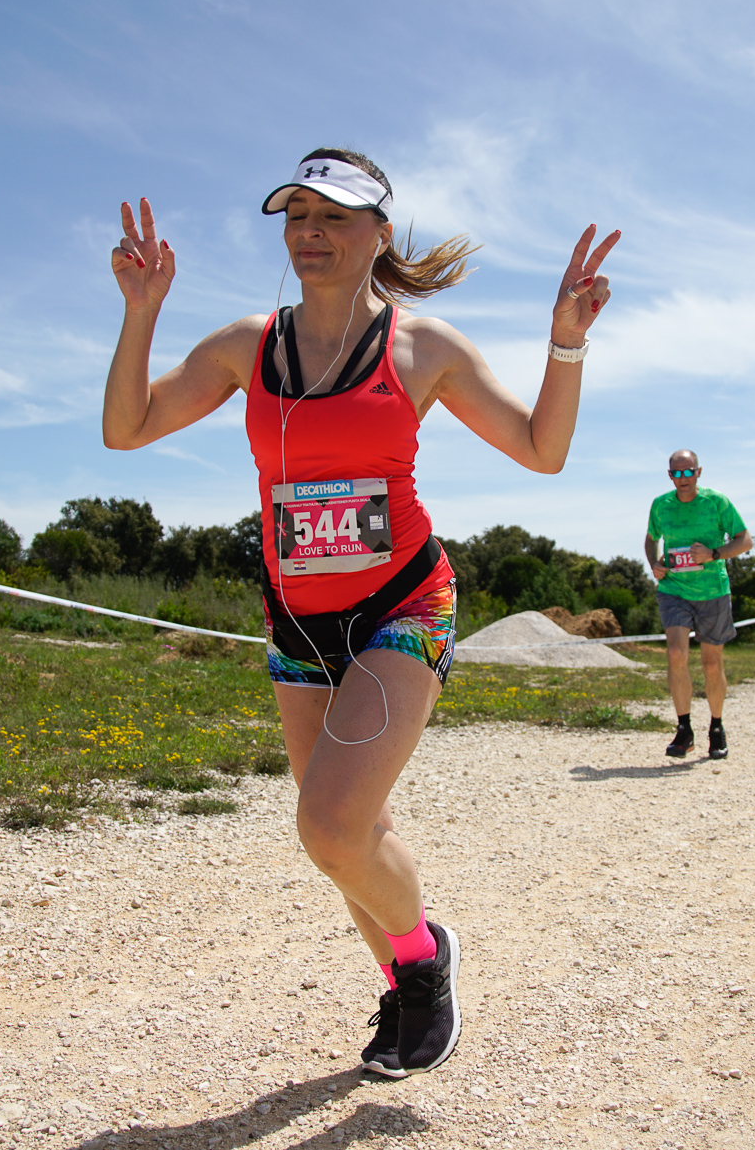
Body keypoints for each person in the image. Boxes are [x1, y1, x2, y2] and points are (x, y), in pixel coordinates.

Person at [100, 148, 618, 1079]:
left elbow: (543, 450)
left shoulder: (424, 349)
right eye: (296, 214)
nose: (310, 233)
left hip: (402, 603)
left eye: (335, 216)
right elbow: (126, 426)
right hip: (297, 620)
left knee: (331, 823)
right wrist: (140, 316)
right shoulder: (244, 346)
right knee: (336, 834)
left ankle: (422, 966)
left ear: (380, 231)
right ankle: (407, 975)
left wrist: (566, 341)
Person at [644, 451, 753, 757]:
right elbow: (651, 539)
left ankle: (716, 727)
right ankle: (683, 729)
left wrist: (714, 554)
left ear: (699, 472)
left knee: (711, 663)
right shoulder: (660, 504)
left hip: (712, 592)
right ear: (669, 476)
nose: (683, 479)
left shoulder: (717, 502)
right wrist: (654, 563)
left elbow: (744, 540)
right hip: (674, 589)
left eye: (688, 472)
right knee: (677, 652)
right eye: (676, 474)